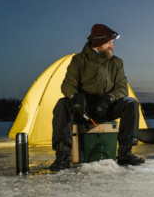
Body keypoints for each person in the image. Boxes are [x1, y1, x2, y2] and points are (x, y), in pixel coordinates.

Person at [50, 24, 145, 171]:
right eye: (109, 43)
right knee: (62, 104)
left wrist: (109, 99)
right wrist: (76, 97)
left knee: (131, 103)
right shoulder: (78, 60)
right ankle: (63, 156)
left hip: (106, 107)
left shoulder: (116, 62)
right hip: (84, 109)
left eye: (112, 43)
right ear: (98, 43)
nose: (112, 46)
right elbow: (67, 85)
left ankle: (126, 153)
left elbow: (122, 88)